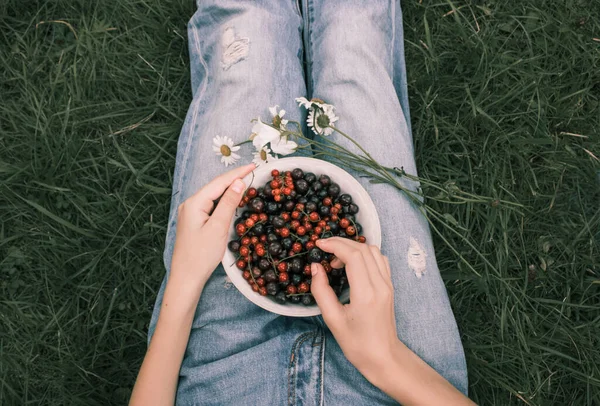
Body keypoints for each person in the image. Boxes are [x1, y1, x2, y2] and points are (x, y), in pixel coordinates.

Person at [130, 0, 473, 404]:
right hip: (399, 380)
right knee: (355, 57)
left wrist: (184, 283)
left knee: (246, 46)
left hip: (226, 368)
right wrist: (387, 360)